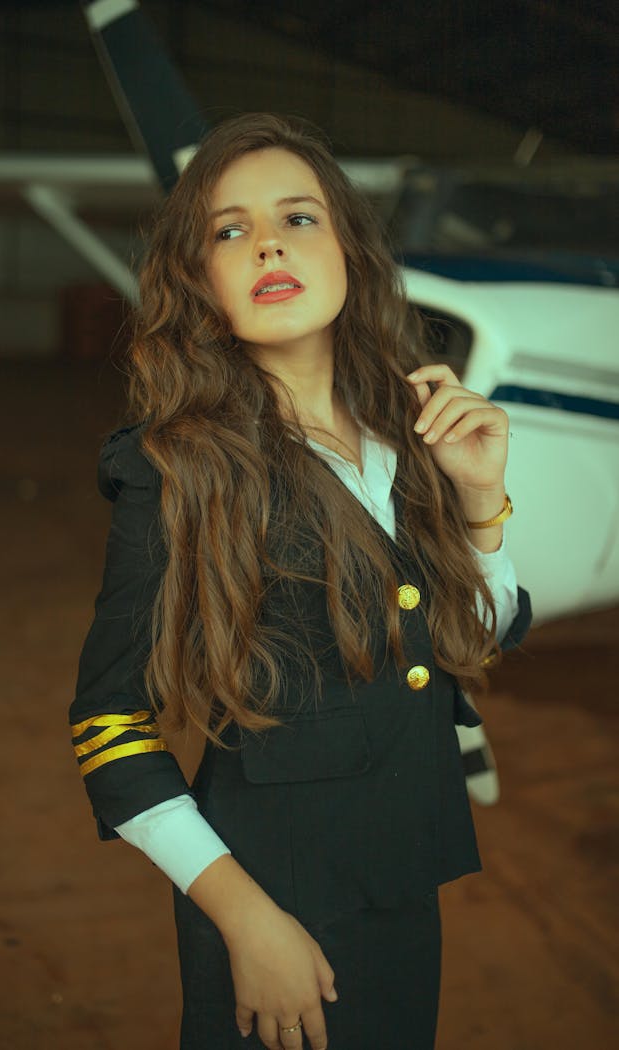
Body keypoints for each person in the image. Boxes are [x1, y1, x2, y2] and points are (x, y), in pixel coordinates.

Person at [70, 113, 531, 1050]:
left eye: (298, 217)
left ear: (349, 250)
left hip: (402, 887)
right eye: (228, 230)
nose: (268, 240)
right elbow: (106, 722)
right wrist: (245, 920)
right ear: (199, 281)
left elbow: (476, 640)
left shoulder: (408, 434)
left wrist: (482, 497)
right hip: (270, 909)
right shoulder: (176, 468)